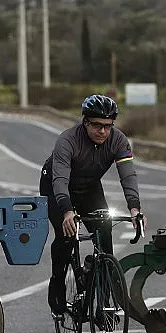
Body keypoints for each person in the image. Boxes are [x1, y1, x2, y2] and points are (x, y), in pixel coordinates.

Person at [39, 94, 143, 315]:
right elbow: (60, 181)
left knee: (105, 235)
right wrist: (67, 212)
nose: (103, 131)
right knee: (67, 235)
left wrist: (135, 209)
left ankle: (104, 305)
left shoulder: (119, 141)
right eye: (97, 125)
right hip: (56, 186)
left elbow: (128, 176)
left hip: (89, 187)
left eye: (108, 126)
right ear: (85, 122)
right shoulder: (68, 140)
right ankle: (57, 284)